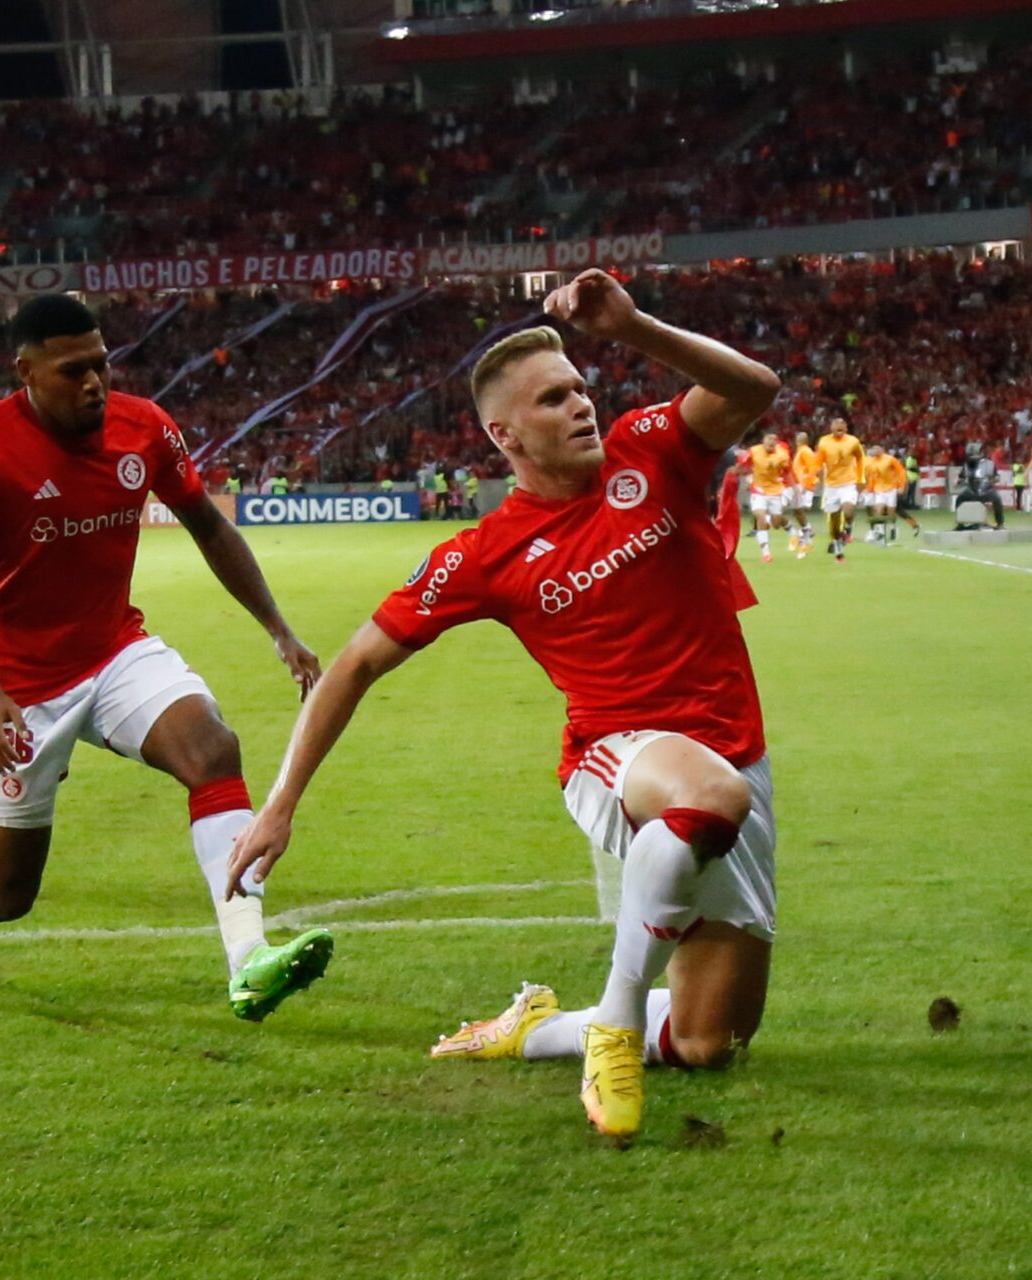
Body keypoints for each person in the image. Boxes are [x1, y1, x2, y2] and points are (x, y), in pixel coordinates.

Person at [225, 269, 781, 1139]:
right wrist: (280, 804)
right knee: (709, 797)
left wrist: (631, 326)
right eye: (553, 400)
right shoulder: (482, 554)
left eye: (581, 389)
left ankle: (539, 1030)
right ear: (504, 434)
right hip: (616, 755)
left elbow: (753, 387)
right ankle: (618, 1024)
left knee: (714, 1042)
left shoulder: (653, 451)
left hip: (735, 752)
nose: (580, 406)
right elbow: (355, 664)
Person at [0, 294, 333, 1023]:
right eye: (73, 371)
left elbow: (209, 528)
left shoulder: (144, 427)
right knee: (4, 893)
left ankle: (249, 960)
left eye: (101, 364)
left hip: (115, 650)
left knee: (212, 749)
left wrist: (278, 628)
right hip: (22, 688)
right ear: (25, 371)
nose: (94, 383)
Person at [816, 417, 864, 562]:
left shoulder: (853, 441)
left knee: (848, 508)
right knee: (834, 524)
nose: (839, 426)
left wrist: (861, 479)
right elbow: (819, 460)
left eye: (842, 424)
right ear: (831, 427)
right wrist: (817, 472)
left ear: (846, 428)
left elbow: (860, 458)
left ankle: (848, 527)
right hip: (831, 486)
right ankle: (838, 547)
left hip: (848, 483)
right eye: (836, 423)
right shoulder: (824, 441)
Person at [745, 430, 791, 562]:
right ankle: (766, 554)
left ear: (776, 443)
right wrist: (748, 479)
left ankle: (768, 523)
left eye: (773, 441)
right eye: (768, 440)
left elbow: (787, 472)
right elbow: (745, 466)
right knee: (760, 516)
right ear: (763, 441)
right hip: (758, 490)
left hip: (775, 490)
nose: (771, 443)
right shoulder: (753, 451)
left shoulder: (782, 455)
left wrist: (793, 488)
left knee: (776, 523)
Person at [788, 430, 819, 557]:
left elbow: (813, 468)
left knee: (799, 510)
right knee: (796, 510)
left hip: (804, 485)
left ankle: (806, 533)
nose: (797, 441)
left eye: (799, 439)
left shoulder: (805, 451)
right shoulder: (801, 451)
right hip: (800, 484)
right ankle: (804, 533)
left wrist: (807, 485)